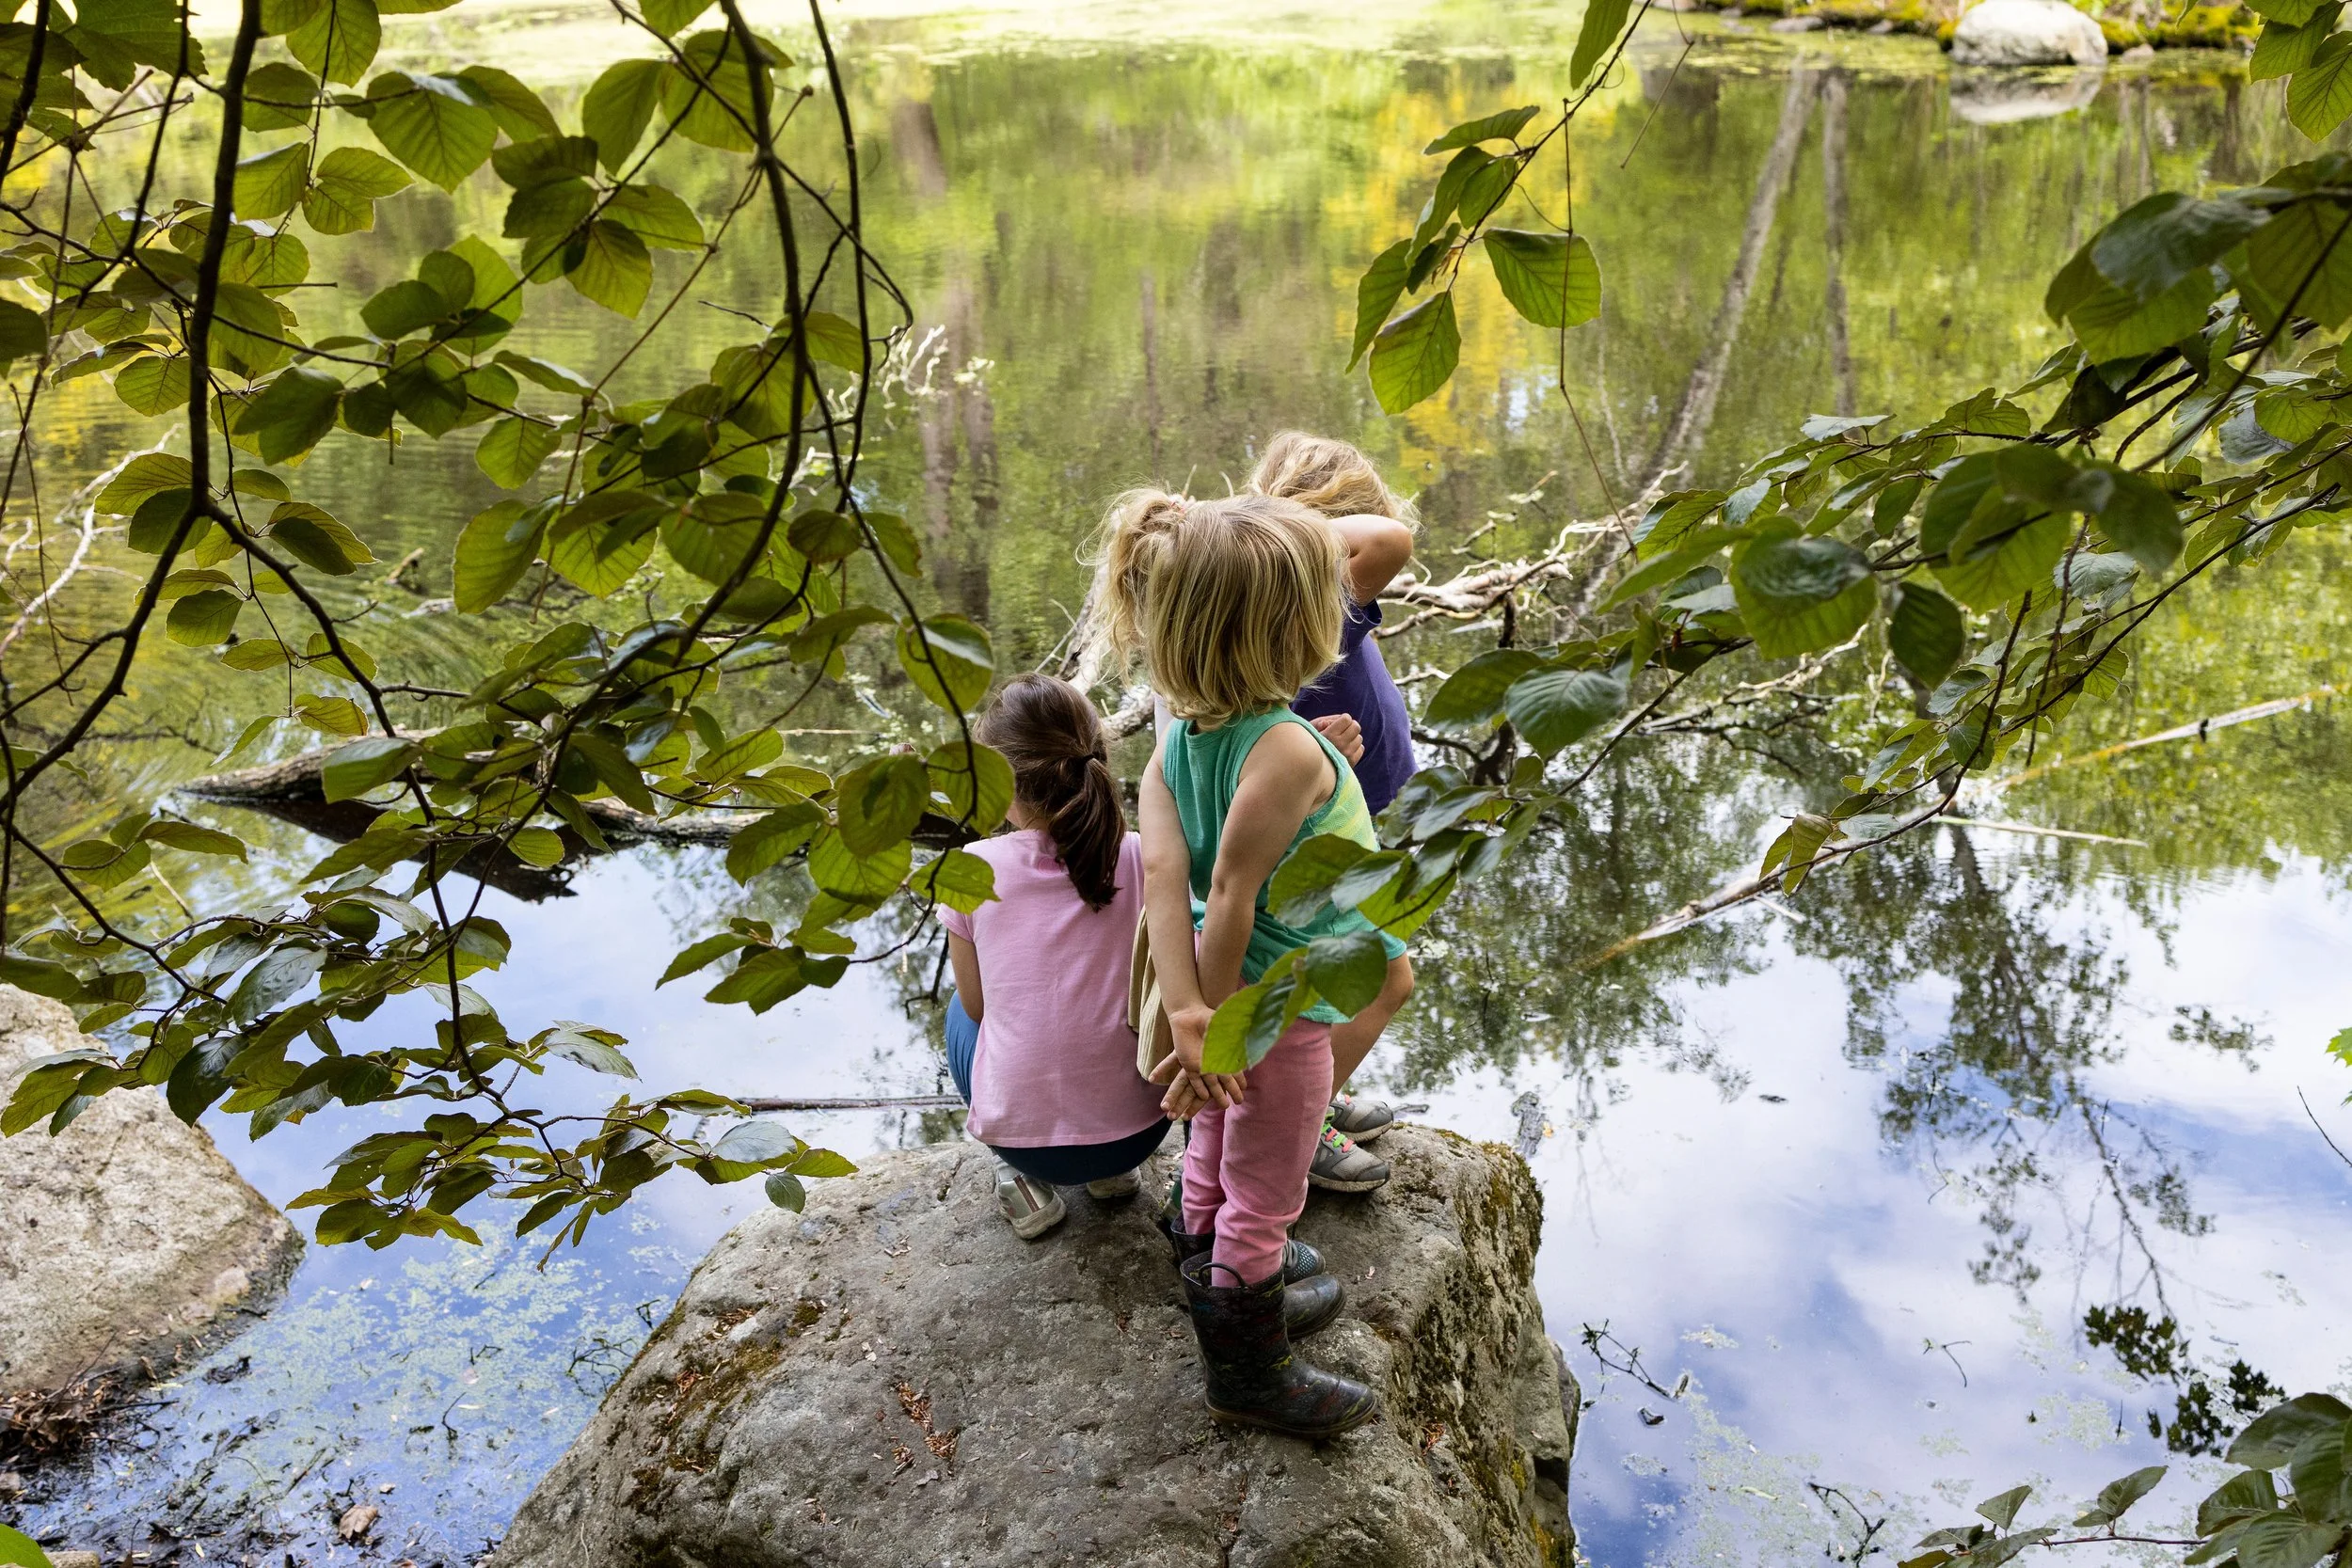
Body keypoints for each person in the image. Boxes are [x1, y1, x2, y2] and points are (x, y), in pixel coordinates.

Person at [1103, 487, 1409, 1438]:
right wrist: (1220, 1019)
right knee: (1266, 1191)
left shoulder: (1177, 744)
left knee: (1213, 1149)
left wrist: (1192, 1009)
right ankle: (1248, 1363)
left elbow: (1167, 878)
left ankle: (1214, 1269)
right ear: (1291, 630)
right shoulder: (1281, 745)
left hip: (1233, 997)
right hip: (1284, 1006)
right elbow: (1230, 891)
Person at [1248, 433, 1422, 1193]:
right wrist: (1270, 525)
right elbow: (1390, 541)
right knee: (1382, 977)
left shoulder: (1293, 600)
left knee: (1331, 975)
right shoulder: (1304, 596)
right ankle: (1299, 1122)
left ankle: (1307, 1085)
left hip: (1337, 821)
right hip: (1315, 833)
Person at [938, 673, 1171, 1241]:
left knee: (959, 1011)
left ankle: (1016, 1179)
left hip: (1031, 1150)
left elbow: (977, 1005)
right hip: (1140, 1133)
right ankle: (1112, 1176)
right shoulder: (1145, 856)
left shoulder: (970, 867)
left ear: (1000, 779)